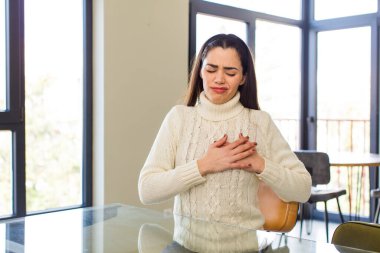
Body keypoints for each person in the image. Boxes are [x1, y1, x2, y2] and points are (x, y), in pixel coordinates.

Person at [138, 33, 311, 230]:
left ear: (243, 78)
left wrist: (260, 164)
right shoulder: (179, 118)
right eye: (211, 70)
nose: (219, 79)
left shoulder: (259, 122)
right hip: (187, 246)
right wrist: (204, 165)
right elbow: (147, 190)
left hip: (244, 247)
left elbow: (303, 189)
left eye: (230, 73)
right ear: (201, 71)